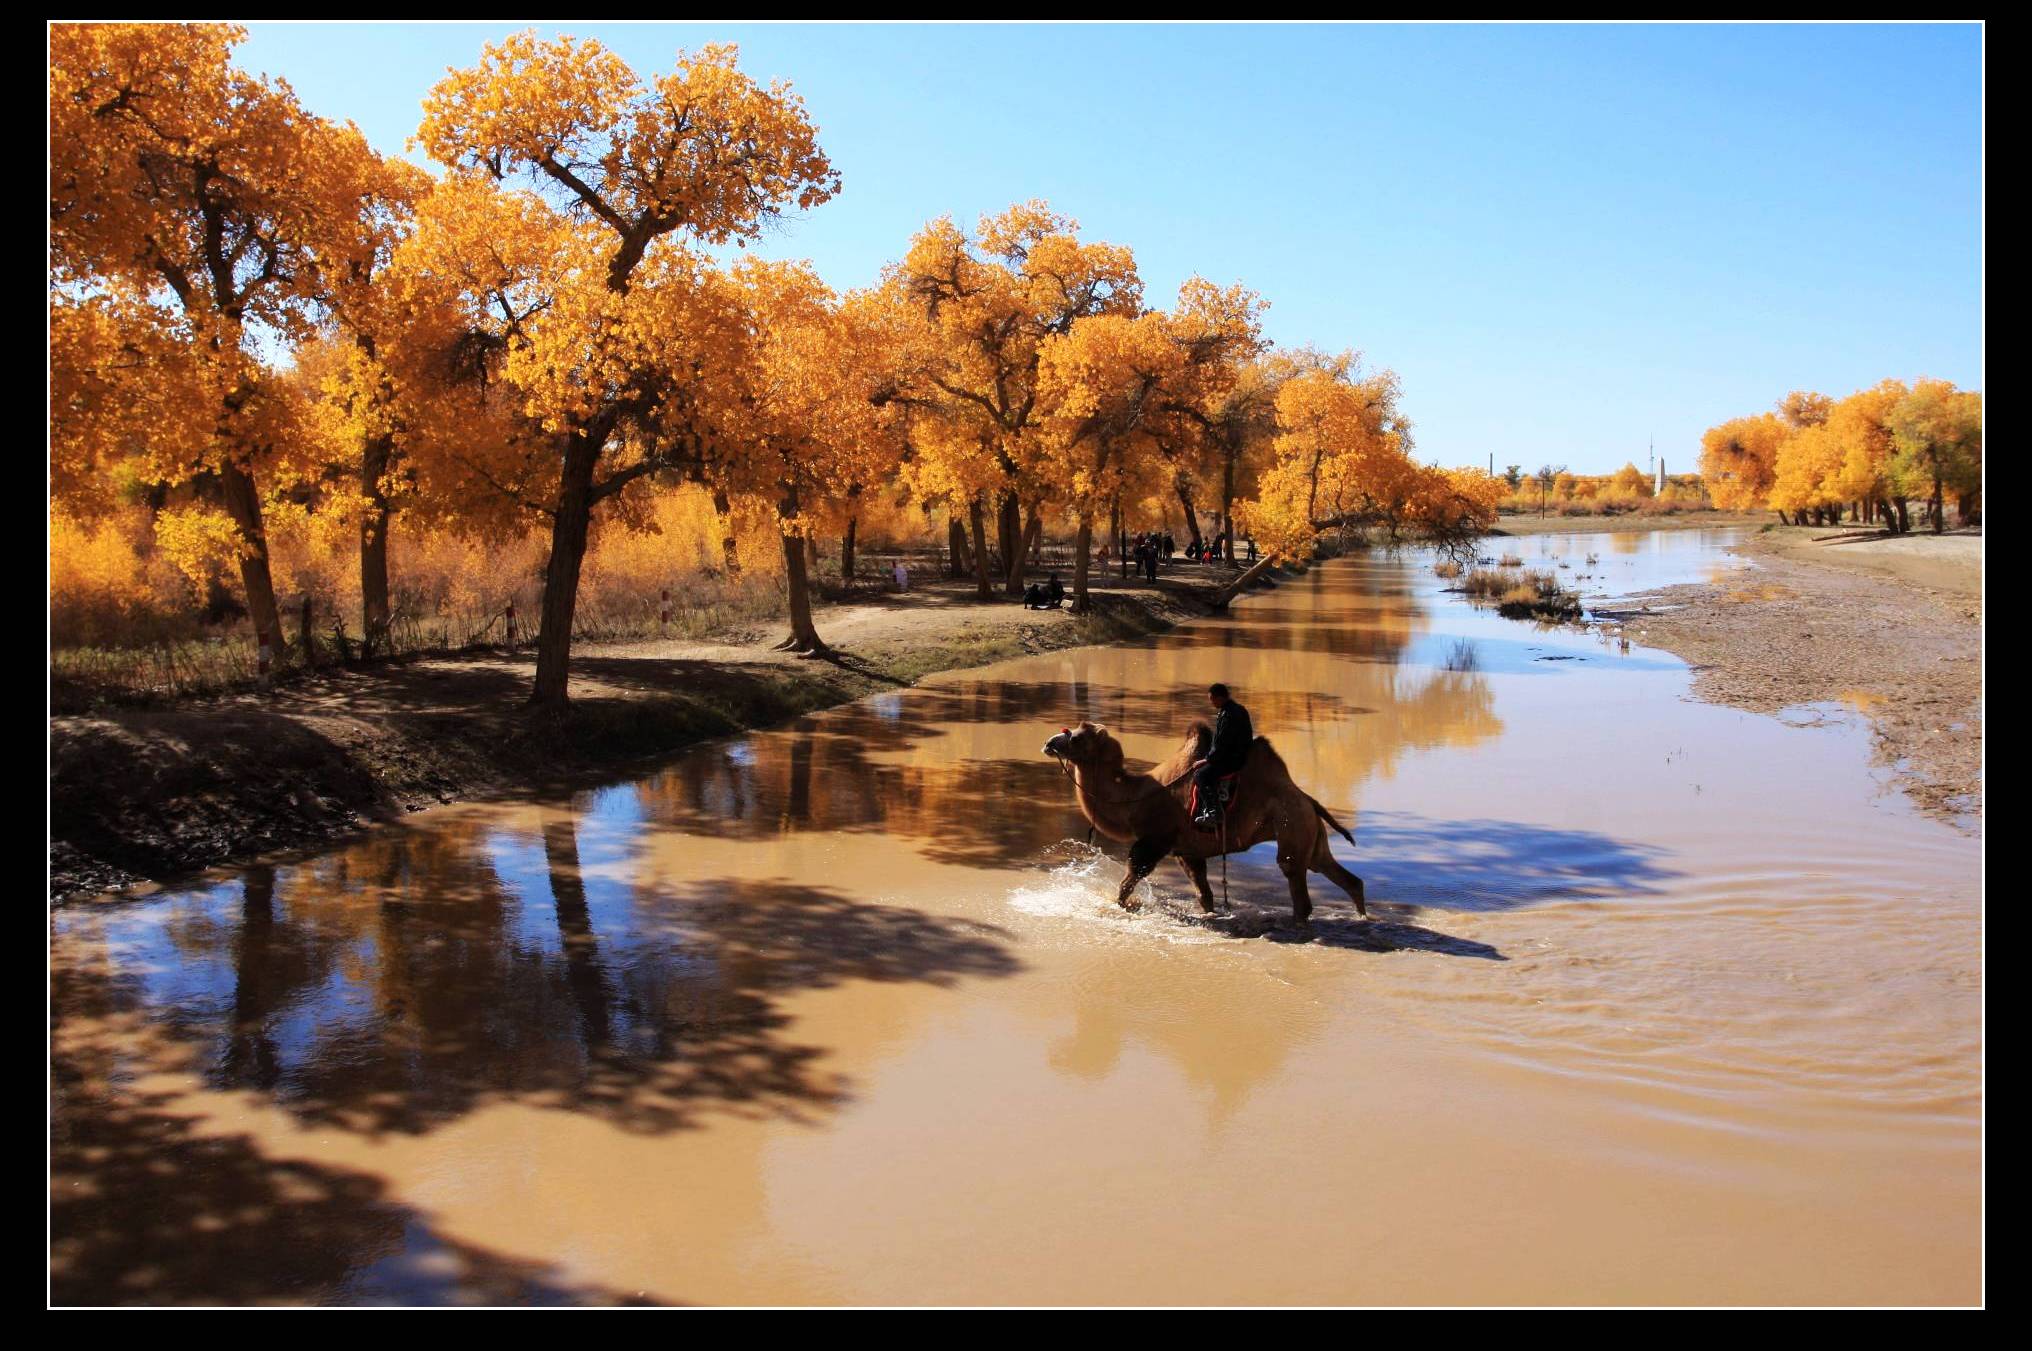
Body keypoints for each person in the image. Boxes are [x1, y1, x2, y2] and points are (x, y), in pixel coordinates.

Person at [1191, 682, 1253, 830]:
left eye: (1212, 699)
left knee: (1200, 775)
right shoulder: (1239, 709)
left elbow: (1221, 745)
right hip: (1239, 756)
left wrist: (1206, 759)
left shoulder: (1228, 714)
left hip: (1231, 760)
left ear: (1220, 698)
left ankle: (1214, 812)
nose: (1211, 702)